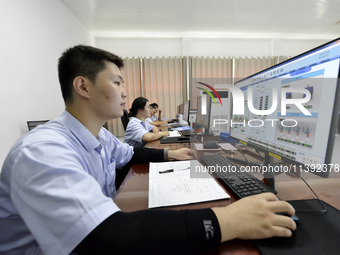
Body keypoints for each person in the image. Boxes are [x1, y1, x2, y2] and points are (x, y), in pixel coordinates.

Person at [0, 45, 296, 255]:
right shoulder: (43, 150)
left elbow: (131, 154)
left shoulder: (100, 136)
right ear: (83, 87)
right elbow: (106, 237)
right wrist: (229, 220)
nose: (125, 92)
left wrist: (171, 155)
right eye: (116, 82)